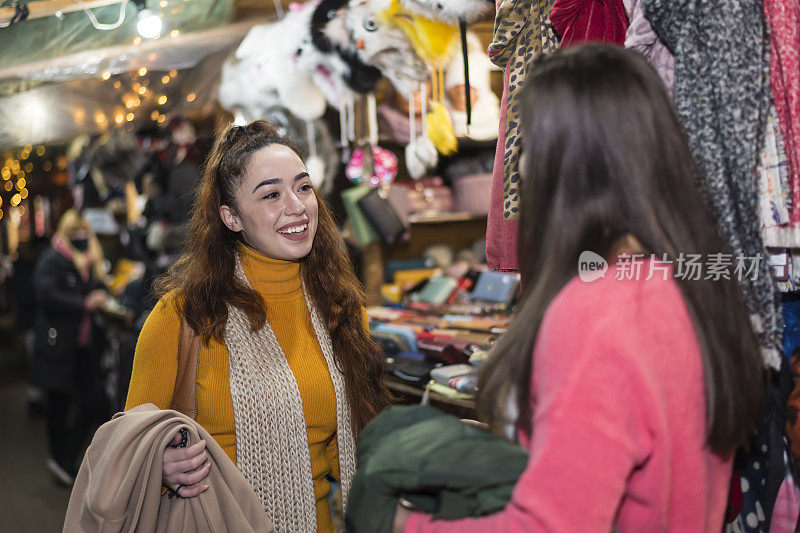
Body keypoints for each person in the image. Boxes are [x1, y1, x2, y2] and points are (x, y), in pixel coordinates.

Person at [392, 44, 765, 532]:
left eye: (528, 148)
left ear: (570, 165)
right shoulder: (690, 280)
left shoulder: (593, 311)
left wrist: (405, 524)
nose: (518, 169)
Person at [125, 120, 390, 532]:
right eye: (271, 195)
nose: (297, 205)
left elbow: (353, 450)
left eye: (303, 187)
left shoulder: (340, 307)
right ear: (231, 218)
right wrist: (159, 464)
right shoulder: (183, 316)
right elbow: (129, 451)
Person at [31, 209, 109, 486]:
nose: (80, 237)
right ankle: (61, 461)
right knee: (58, 407)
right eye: (74, 232)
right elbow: (45, 295)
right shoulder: (52, 260)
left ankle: (63, 459)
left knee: (92, 402)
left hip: (83, 346)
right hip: (57, 346)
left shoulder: (89, 262)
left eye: (83, 232)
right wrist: (85, 303)